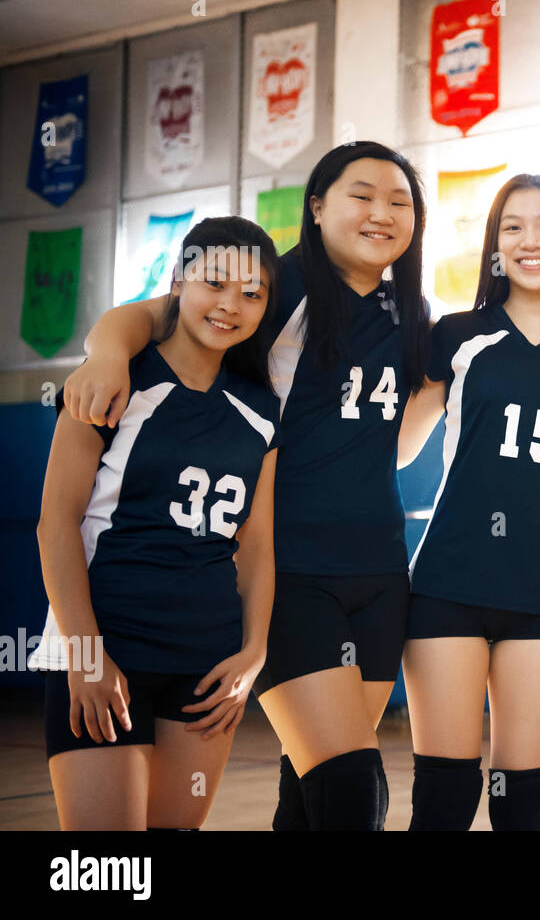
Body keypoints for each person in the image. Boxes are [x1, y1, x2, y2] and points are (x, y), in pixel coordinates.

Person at [62, 142, 432, 830]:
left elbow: (405, 438)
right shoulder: (273, 286)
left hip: (381, 575)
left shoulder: (409, 311)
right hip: (290, 572)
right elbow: (155, 313)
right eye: (361, 194)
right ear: (316, 207)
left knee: (312, 786)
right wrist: (108, 351)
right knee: (353, 787)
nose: (381, 212)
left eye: (399, 201)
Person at [29, 217, 279, 830]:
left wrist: (252, 653)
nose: (230, 305)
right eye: (214, 283)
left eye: (252, 294)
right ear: (176, 284)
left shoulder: (261, 411)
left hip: (205, 662)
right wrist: (85, 656)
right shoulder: (111, 382)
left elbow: (259, 546)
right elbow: (54, 526)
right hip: (105, 645)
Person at [398, 174, 540, 830]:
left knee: (521, 793)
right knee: (446, 790)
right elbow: (400, 447)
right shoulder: (457, 335)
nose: (530, 239)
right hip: (447, 580)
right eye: (512, 226)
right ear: (494, 246)